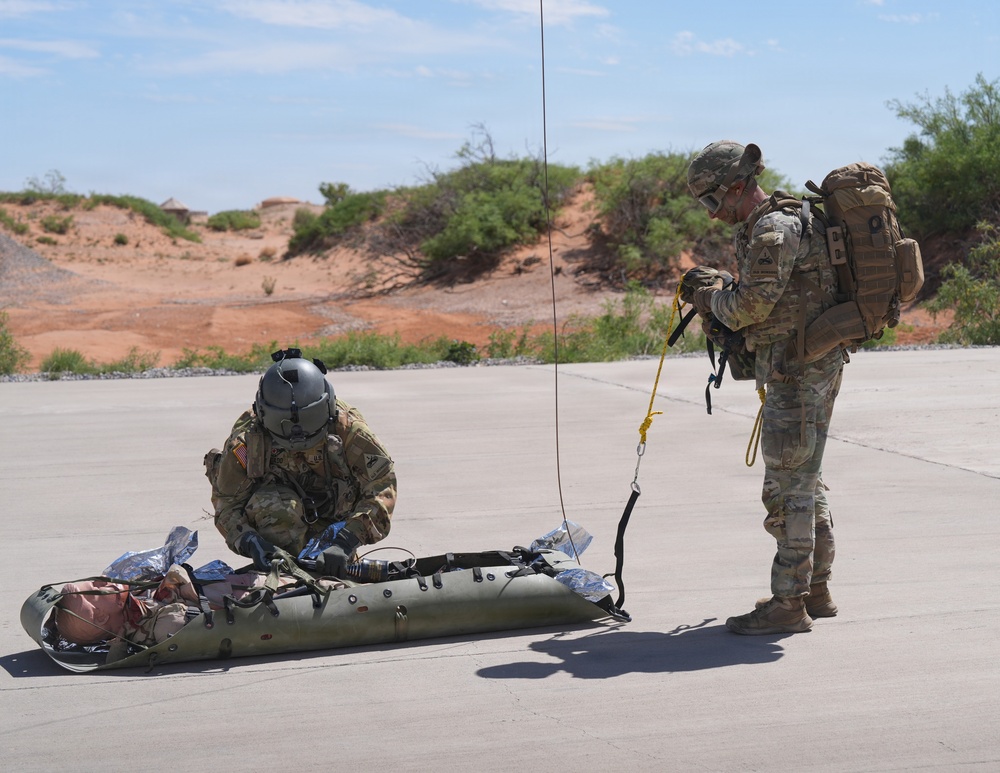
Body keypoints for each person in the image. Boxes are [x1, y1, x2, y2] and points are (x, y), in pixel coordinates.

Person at [681, 141, 845, 635]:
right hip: (806, 363)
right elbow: (774, 298)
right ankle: (815, 590)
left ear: (736, 186)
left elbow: (750, 308)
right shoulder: (775, 223)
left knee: (787, 488)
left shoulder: (774, 228)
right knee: (806, 478)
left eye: (713, 201)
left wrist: (709, 297)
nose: (712, 215)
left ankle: (788, 605)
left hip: (797, 371)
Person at [204, 348, 397, 578]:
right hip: (279, 524)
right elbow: (227, 505)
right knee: (273, 505)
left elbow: (381, 487)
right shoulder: (247, 441)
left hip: (338, 523)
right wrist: (251, 542)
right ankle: (288, 577)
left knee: (334, 565)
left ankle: (330, 564)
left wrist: (346, 541)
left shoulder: (348, 430)